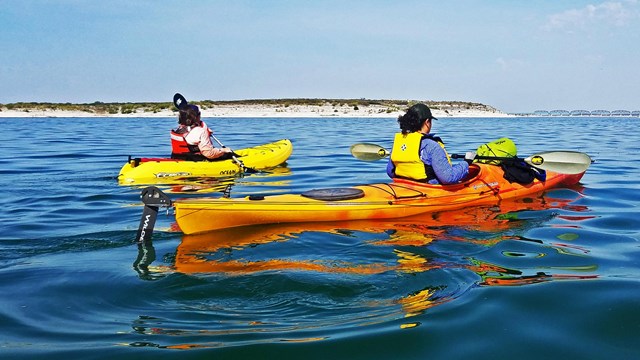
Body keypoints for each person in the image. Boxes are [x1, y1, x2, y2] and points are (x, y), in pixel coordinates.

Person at [386, 103, 476, 184]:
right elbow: (448, 178)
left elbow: (390, 172)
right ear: (427, 122)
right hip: (428, 191)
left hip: (404, 187)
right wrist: (466, 162)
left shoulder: (399, 143)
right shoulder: (431, 146)